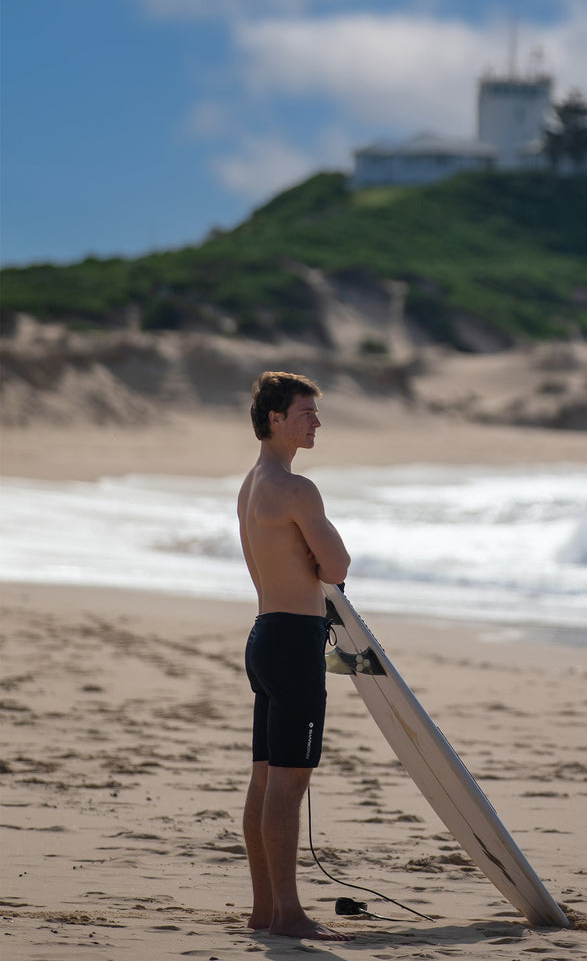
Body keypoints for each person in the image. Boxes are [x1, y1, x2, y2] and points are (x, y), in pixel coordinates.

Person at [237, 371, 352, 941]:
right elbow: (337, 567)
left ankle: (264, 910)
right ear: (275, 419)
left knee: (264, 779)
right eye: (305, 412)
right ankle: (288, 915)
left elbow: (266, 562)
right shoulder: (297, 490)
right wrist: (316, 559)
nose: (315, 422)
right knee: (288, 784)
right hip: (293, 642)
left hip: (264, 635)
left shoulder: (252, 484)